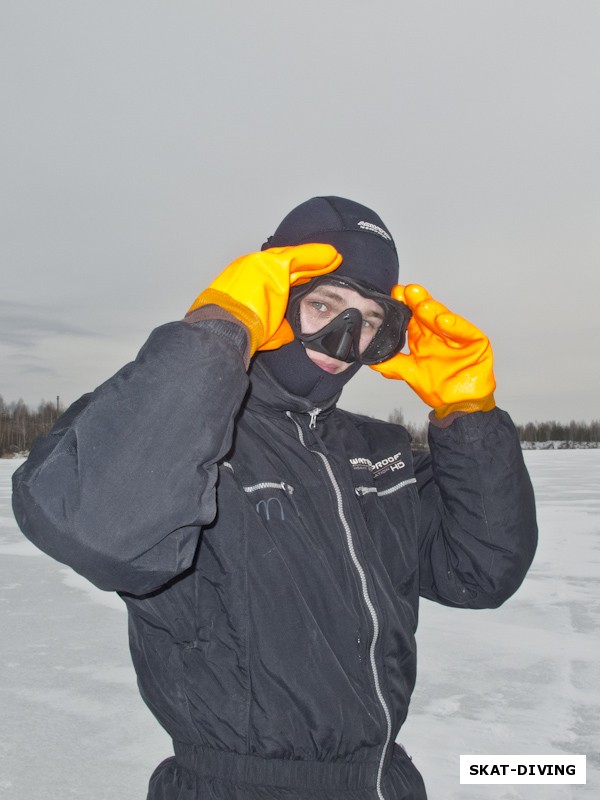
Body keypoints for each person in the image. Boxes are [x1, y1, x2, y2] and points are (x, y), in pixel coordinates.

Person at [12, 196, 537, 800]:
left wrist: (468, 414)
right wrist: (218, 329)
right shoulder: (185, 435)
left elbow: (481, 572)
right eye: (323, 305)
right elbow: (104, 531)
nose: (345, 340)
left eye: (368, 321)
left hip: (383, 783)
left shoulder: (377, 450)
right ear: (272, 300)